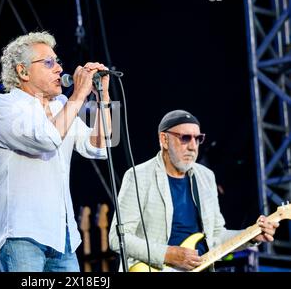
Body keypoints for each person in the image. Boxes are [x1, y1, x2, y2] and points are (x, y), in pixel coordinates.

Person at [0, 31, 112, 272]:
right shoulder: (2, 106)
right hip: (22, 235)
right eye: (48, 63)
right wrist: (78, 95)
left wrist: (102, 96)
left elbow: (99, 147)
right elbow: (46, 139)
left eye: (58, 62)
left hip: (63, 236)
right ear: (23, 71)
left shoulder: (61, 106)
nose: (58, 69)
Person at [109, 109, 279, 272]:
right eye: (185, 138)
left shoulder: (206, 177)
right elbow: (117, 239)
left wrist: (252, 235)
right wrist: (167, 254)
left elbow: (216, 236)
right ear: (164, 140)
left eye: (197, 139)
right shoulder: (139, 176)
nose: (193, 146)